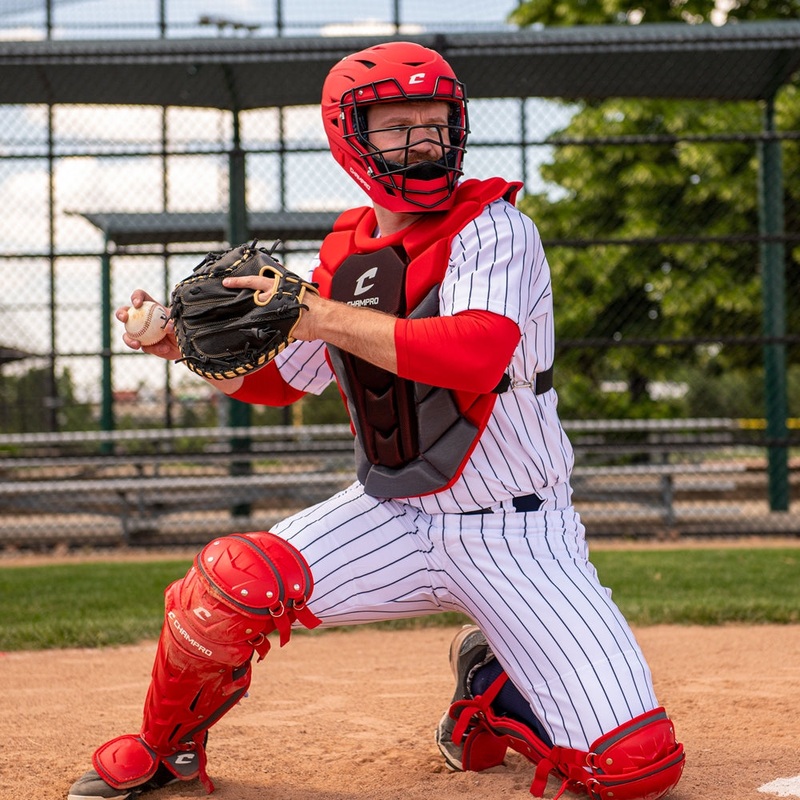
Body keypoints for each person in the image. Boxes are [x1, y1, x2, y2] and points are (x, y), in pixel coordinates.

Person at [68, 41, 684, 800]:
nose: (425, 140)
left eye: (437, 122)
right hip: (391, 513)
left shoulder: (496, 229)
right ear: (348, 135)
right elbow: (282, 383)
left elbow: (474, 357)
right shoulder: (346, 256)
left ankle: (496, 689)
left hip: (517, 531)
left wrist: (314, 313)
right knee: (228, 587)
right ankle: (165, 750)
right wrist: (176, 347)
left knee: (635, 768)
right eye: (398, 125)